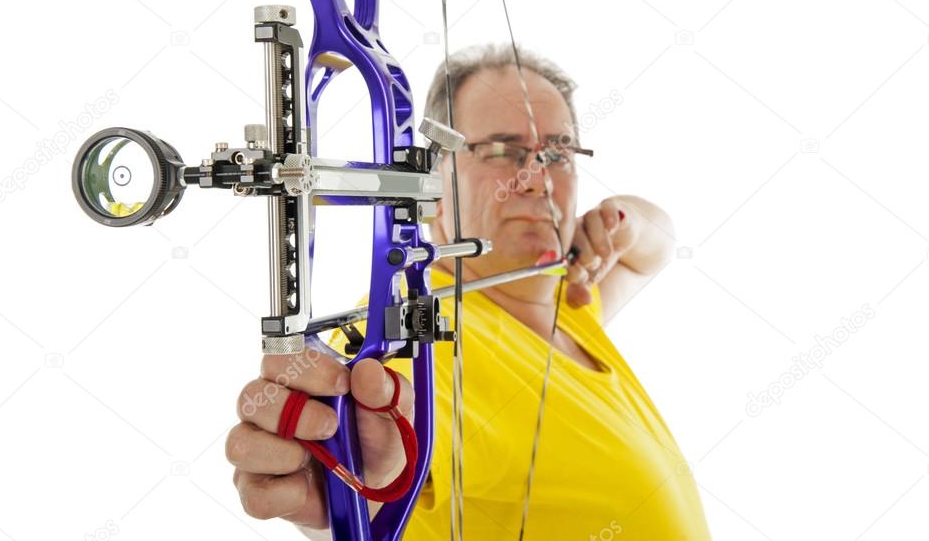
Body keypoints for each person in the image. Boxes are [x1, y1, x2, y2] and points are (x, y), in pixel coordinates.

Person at [225, 45, 712, 539]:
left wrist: (619, 220)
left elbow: (655, 246)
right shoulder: (411, 324)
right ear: (432, 179)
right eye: (502, 151)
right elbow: (376, 444)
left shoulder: (571, 304)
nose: (539, 181)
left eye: (559, 153)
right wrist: (344, 489)